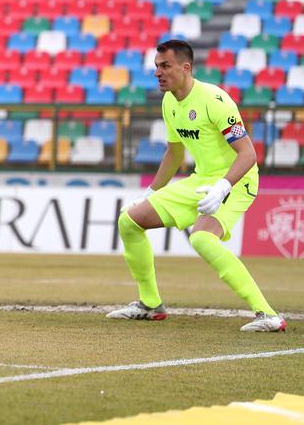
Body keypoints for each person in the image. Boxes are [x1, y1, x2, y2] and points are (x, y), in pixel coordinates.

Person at [107, 39, 285, 332]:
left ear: (186, 67)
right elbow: (174, 153)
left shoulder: (215, 100)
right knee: (129, 221)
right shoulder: (169, 102)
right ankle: (151, 305)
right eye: (156, 66)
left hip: (238, 179)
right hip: (202, 180)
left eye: (165, 66)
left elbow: (248, 154)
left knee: (202, 239)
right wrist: (151, 193)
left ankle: (268, 315)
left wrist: (223, 187)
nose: (158, 73)